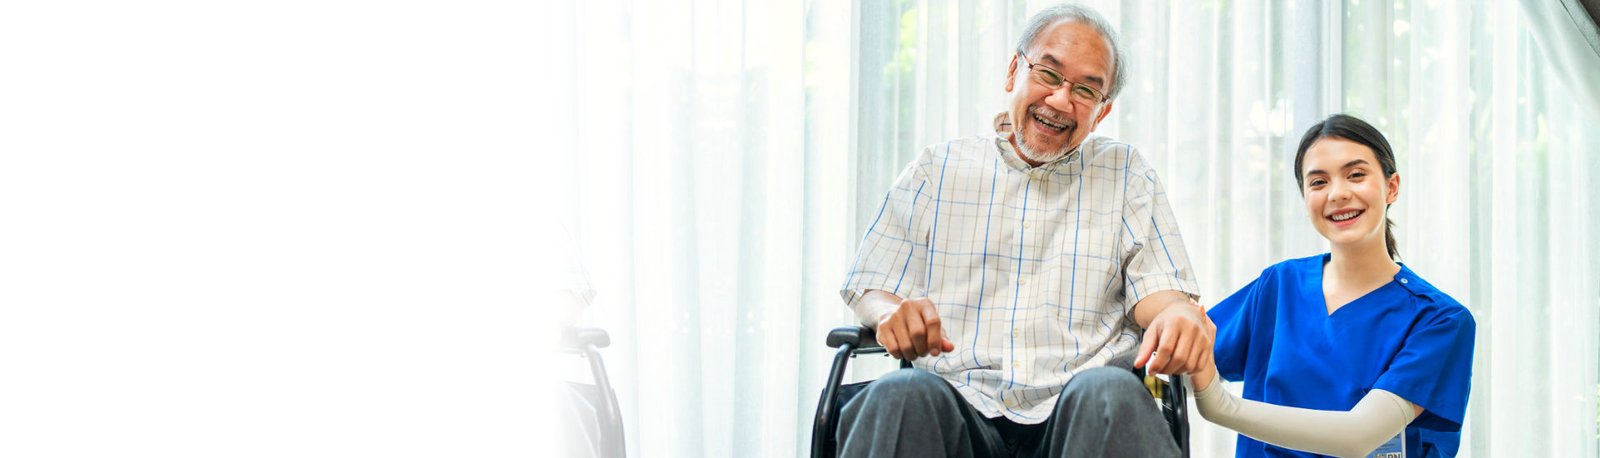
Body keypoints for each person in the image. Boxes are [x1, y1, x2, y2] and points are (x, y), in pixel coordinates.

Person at [835, 3, 1211, 457]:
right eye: (1049, 75)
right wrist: (888, 313)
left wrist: (1178, 315)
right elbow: (872, 285)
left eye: (1085, 91)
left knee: (1112, 393)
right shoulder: (938, 168)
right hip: (954, 405)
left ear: (1102, 111)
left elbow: (1161, 293)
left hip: (1080, 417)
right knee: (899, 396)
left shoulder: (1127, 174)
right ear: (1014, 71)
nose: (1060, 101)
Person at [1192, 114, 1476, 457]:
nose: (1338, 194)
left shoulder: (1440, 320)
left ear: (1392, 187)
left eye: (1355, 175)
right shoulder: (1278, 287)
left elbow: (1357, 437)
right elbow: (1188, 349)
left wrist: (1219, 405)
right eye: (1318, 182)